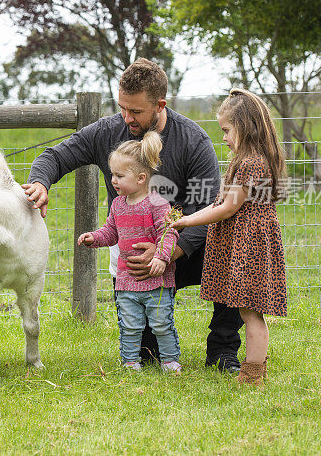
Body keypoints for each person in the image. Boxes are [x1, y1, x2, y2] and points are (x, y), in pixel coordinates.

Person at [23, 58, 244, 372]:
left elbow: (209, 209)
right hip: (136, 258)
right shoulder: (107, 131)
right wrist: (40, 183)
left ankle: (223, 351)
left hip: (182, 248)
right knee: (146, 356)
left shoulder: (193, 141)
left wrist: (166, 253)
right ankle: (148, 344)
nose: (127, 117)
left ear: (160, 105)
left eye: (136, 111)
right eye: (122, 107)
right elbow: (56, 155)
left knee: (230, 250)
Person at [171, 88, 287, 386]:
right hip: (245, 242)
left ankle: (251, 375)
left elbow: (226, 208)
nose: (223, 137)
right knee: (249, 312)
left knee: (251, 314)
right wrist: (187, 219)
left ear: (245, 127)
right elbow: (220, 204)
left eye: (226, 130)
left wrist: (186, 220)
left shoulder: (251, 163)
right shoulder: (250, 160)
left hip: (249, 246)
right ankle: (254, 369)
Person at [77, 131, 182, 373]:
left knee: (161, 323)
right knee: (130, 325)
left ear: (141, 178)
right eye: (112, 174)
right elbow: (111, 233)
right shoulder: (117, 205)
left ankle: (169, 361)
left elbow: (169, 233)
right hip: (126, 280)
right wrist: (94, 238)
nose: (113, 180)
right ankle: (131, 362)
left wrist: (161, 257)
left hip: (156, 280)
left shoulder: (157, 203)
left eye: (119, 176)